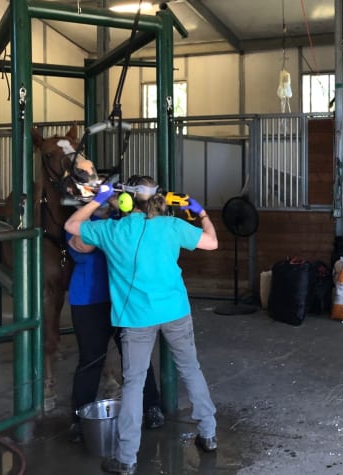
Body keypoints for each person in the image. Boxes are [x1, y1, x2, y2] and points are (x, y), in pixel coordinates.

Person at [64, 175, 219, 475]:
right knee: (191, 370)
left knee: (133, 385)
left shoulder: (112, 230)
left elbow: (72, 227)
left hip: (135, 319)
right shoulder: (171, 226)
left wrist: (98, 199)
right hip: (175, 313)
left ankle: (126, 459)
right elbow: (211, 242)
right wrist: (202, 213)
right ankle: (209, 434)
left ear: (124, 201)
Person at [66, 201, 165, 444]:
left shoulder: (123, 219)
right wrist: (98, 206)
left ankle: (151, 405)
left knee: (136, 355)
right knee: (90, 360)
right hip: (89, 300)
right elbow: (84, 246)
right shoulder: (78, 222)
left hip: (123, 297)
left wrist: (120, 211)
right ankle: (80, 417)